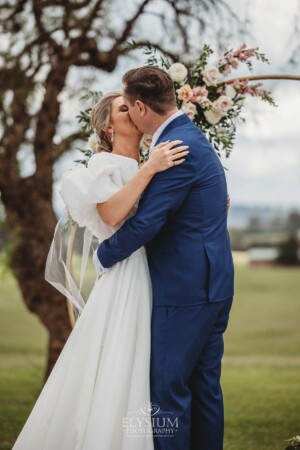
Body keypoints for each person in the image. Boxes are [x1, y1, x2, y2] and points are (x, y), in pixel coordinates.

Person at [12, 91, 189, 450]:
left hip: (155, 273)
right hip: (126, 278)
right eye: (124, 108)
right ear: (108, 127)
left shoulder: (151, 158)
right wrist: (150, 168)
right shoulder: (99, 168)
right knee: (119, 365)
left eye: (135, 105)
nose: (134, 110)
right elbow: (111, 214)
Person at [94, 67, 235, 450]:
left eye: (127, 105)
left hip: (184, 289)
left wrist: (102, 255)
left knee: (168, 393)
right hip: (214, 284)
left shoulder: (174, 148)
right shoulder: (189, 136)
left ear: (141, 107)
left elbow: (146, 224)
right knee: (204, 388)